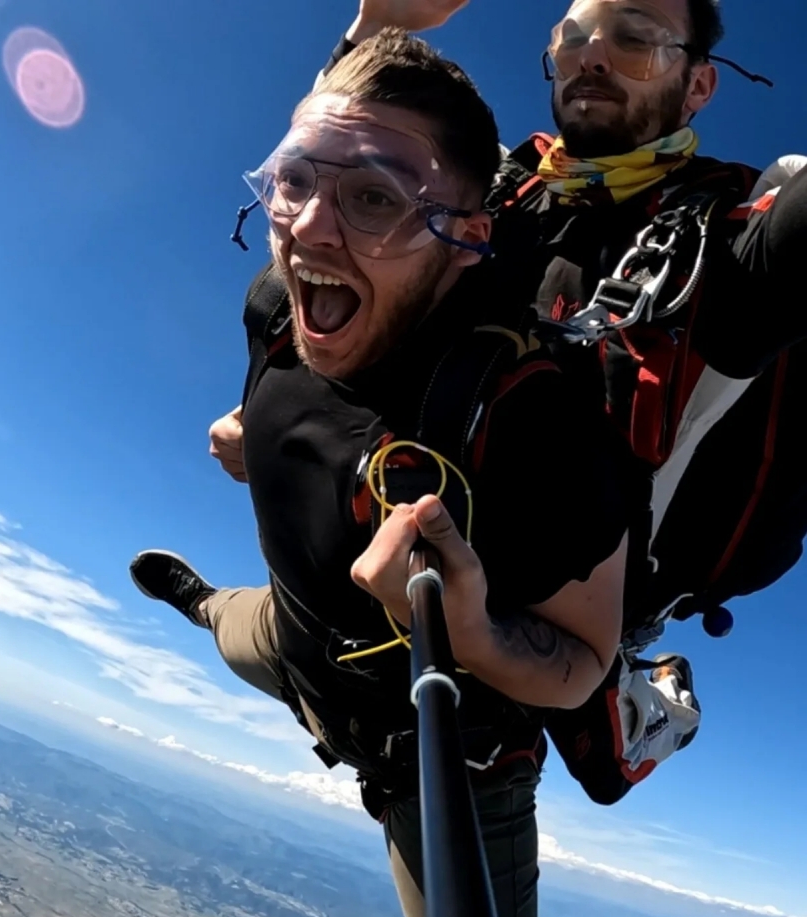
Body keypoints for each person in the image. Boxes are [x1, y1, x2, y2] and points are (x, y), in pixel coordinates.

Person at [207, 0, 807, 805]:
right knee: (260, 628)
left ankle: (631, 709)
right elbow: (343, 165)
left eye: (634, 40)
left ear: (699, 83)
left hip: (540, 602)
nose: (593, 56)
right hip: (356, 544)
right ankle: (205, 603)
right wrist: (375, 31)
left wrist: (489, 638)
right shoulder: (498, 186)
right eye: (573, 39)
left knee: (486, 790)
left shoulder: (736, 254)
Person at [132, 30, 637, 917]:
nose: (310, 229)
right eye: (294, 181)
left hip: (445, 761)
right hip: (293, 636)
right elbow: (317, 395)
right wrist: (255, 431)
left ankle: (213, 611)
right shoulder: (280, 309)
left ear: (467, 239)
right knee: (237, 626)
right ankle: (205, 607)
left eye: (374, 199)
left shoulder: (545, 430)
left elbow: (586, 662)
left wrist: (476, 633)